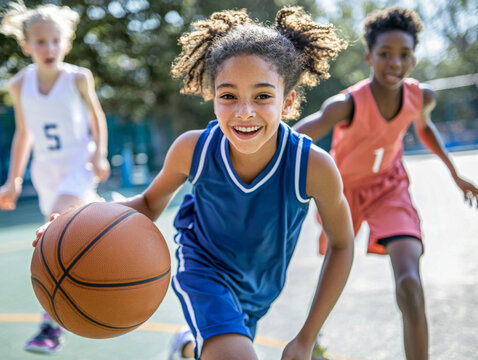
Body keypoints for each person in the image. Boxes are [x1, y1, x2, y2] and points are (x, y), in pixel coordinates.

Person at [33, 6, 354, 360]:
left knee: (222, 347)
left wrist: (307, 336)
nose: (244, 111)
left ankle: (185, 345)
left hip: (261, 287)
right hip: (202, 269)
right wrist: (73, 223)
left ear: (288, 101)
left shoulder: (311, 166)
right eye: (228, 96)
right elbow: (148, 205)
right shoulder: (194, 150)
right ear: (212, 96)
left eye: (262, 96)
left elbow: (342, 244)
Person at [293, 6, 478, 360]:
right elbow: (295, 137)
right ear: (368, 57)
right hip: (342, 194)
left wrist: (454, 173)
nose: (395, 62)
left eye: (404, 54)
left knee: (410, 283)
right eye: (385, 54)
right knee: (333, 271)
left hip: (390, 189)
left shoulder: (421, 97)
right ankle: (311, 336)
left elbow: (424, 127)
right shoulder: (345, 105)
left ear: (413, 57)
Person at [0, 0, 110, 354]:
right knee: (67, 232)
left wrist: (99, 152)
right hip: (46, 173)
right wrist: (13, 180)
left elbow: (97, 118)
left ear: (66, 43)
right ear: (26, 45)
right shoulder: (19, 84)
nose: (47, 48)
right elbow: (23, 134)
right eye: (39, 41)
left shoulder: (78, 77)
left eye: (54, 40)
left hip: (77, 164)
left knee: (53, 235)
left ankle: (50, 325)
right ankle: (106, 211)